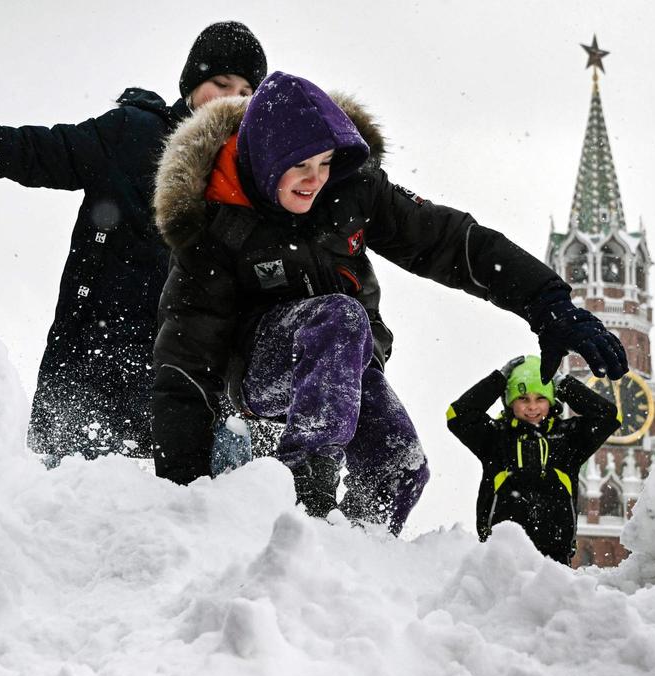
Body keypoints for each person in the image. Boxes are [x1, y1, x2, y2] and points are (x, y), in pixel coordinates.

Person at [150, 71, 629, 534]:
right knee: (338, 315)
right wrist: (180, 493)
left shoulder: (350, 188)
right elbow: (185, 365)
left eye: (323, 164)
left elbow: (452, 241)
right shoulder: (213, 227)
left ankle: (357, 560)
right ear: (266, 159)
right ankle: (304, 507)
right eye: (300, 167)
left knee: (399, 464)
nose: (314, 180)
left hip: (344, 359)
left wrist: (548, 303)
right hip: (262, 367)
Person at [0, 22, 266, 466]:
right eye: (221, 83)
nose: (232, 98)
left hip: (191, 369)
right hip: (95, 351)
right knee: (66, 508)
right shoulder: (133, 133)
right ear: (192, 84)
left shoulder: (255, 175)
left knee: (184, 518)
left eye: (245, 90)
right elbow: (36, 150)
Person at [446, 355, 620, 563]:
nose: (532, 407)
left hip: (554, 558)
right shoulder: (495, 438)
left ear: (552, 400)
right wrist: (499, 380)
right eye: (522, 398)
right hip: (500, 556)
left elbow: (609, 417)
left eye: (540, 398)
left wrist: (563, 384)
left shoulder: (568, 439)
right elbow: (457, 415)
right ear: (510, 401)